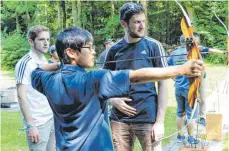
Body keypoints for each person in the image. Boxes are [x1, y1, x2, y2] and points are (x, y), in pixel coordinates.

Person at [31, 26, 204, 151]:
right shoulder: (94, 79)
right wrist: (181, 70)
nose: (93, 51)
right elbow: (136, 75)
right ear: (71, 52)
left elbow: (36, 70)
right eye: (89, 47)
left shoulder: (46, 81)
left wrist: (60, 65)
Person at [102, 3, 168, 151]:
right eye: (137, 22)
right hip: (119, 119)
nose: (142, 26)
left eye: (143, 21)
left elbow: (163, 83)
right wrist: (113, 99)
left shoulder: (153, 46)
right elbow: (102, 81)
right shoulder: (113, 50)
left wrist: (160, 122)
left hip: (148, 117)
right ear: (124, 24)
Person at [167, 33, 224, 144]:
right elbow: (201, 70)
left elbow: (168, 69)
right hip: (190, 89)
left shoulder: (174, 53)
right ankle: (191, 137)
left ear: (180, 42)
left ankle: (179, 135)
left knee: (179, 112)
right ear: (190, 42)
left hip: (178, 88)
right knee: (191, 114)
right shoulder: (193, 53)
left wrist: (176, 80)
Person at [15, 25, 55, 151]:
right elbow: (21, 96)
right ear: (31, 42)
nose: (46, 43)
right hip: (37, 123)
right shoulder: (25, 63)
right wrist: (31, 125)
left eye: (48, 40)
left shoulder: (46, 62)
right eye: (41, 39)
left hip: (51, 119)